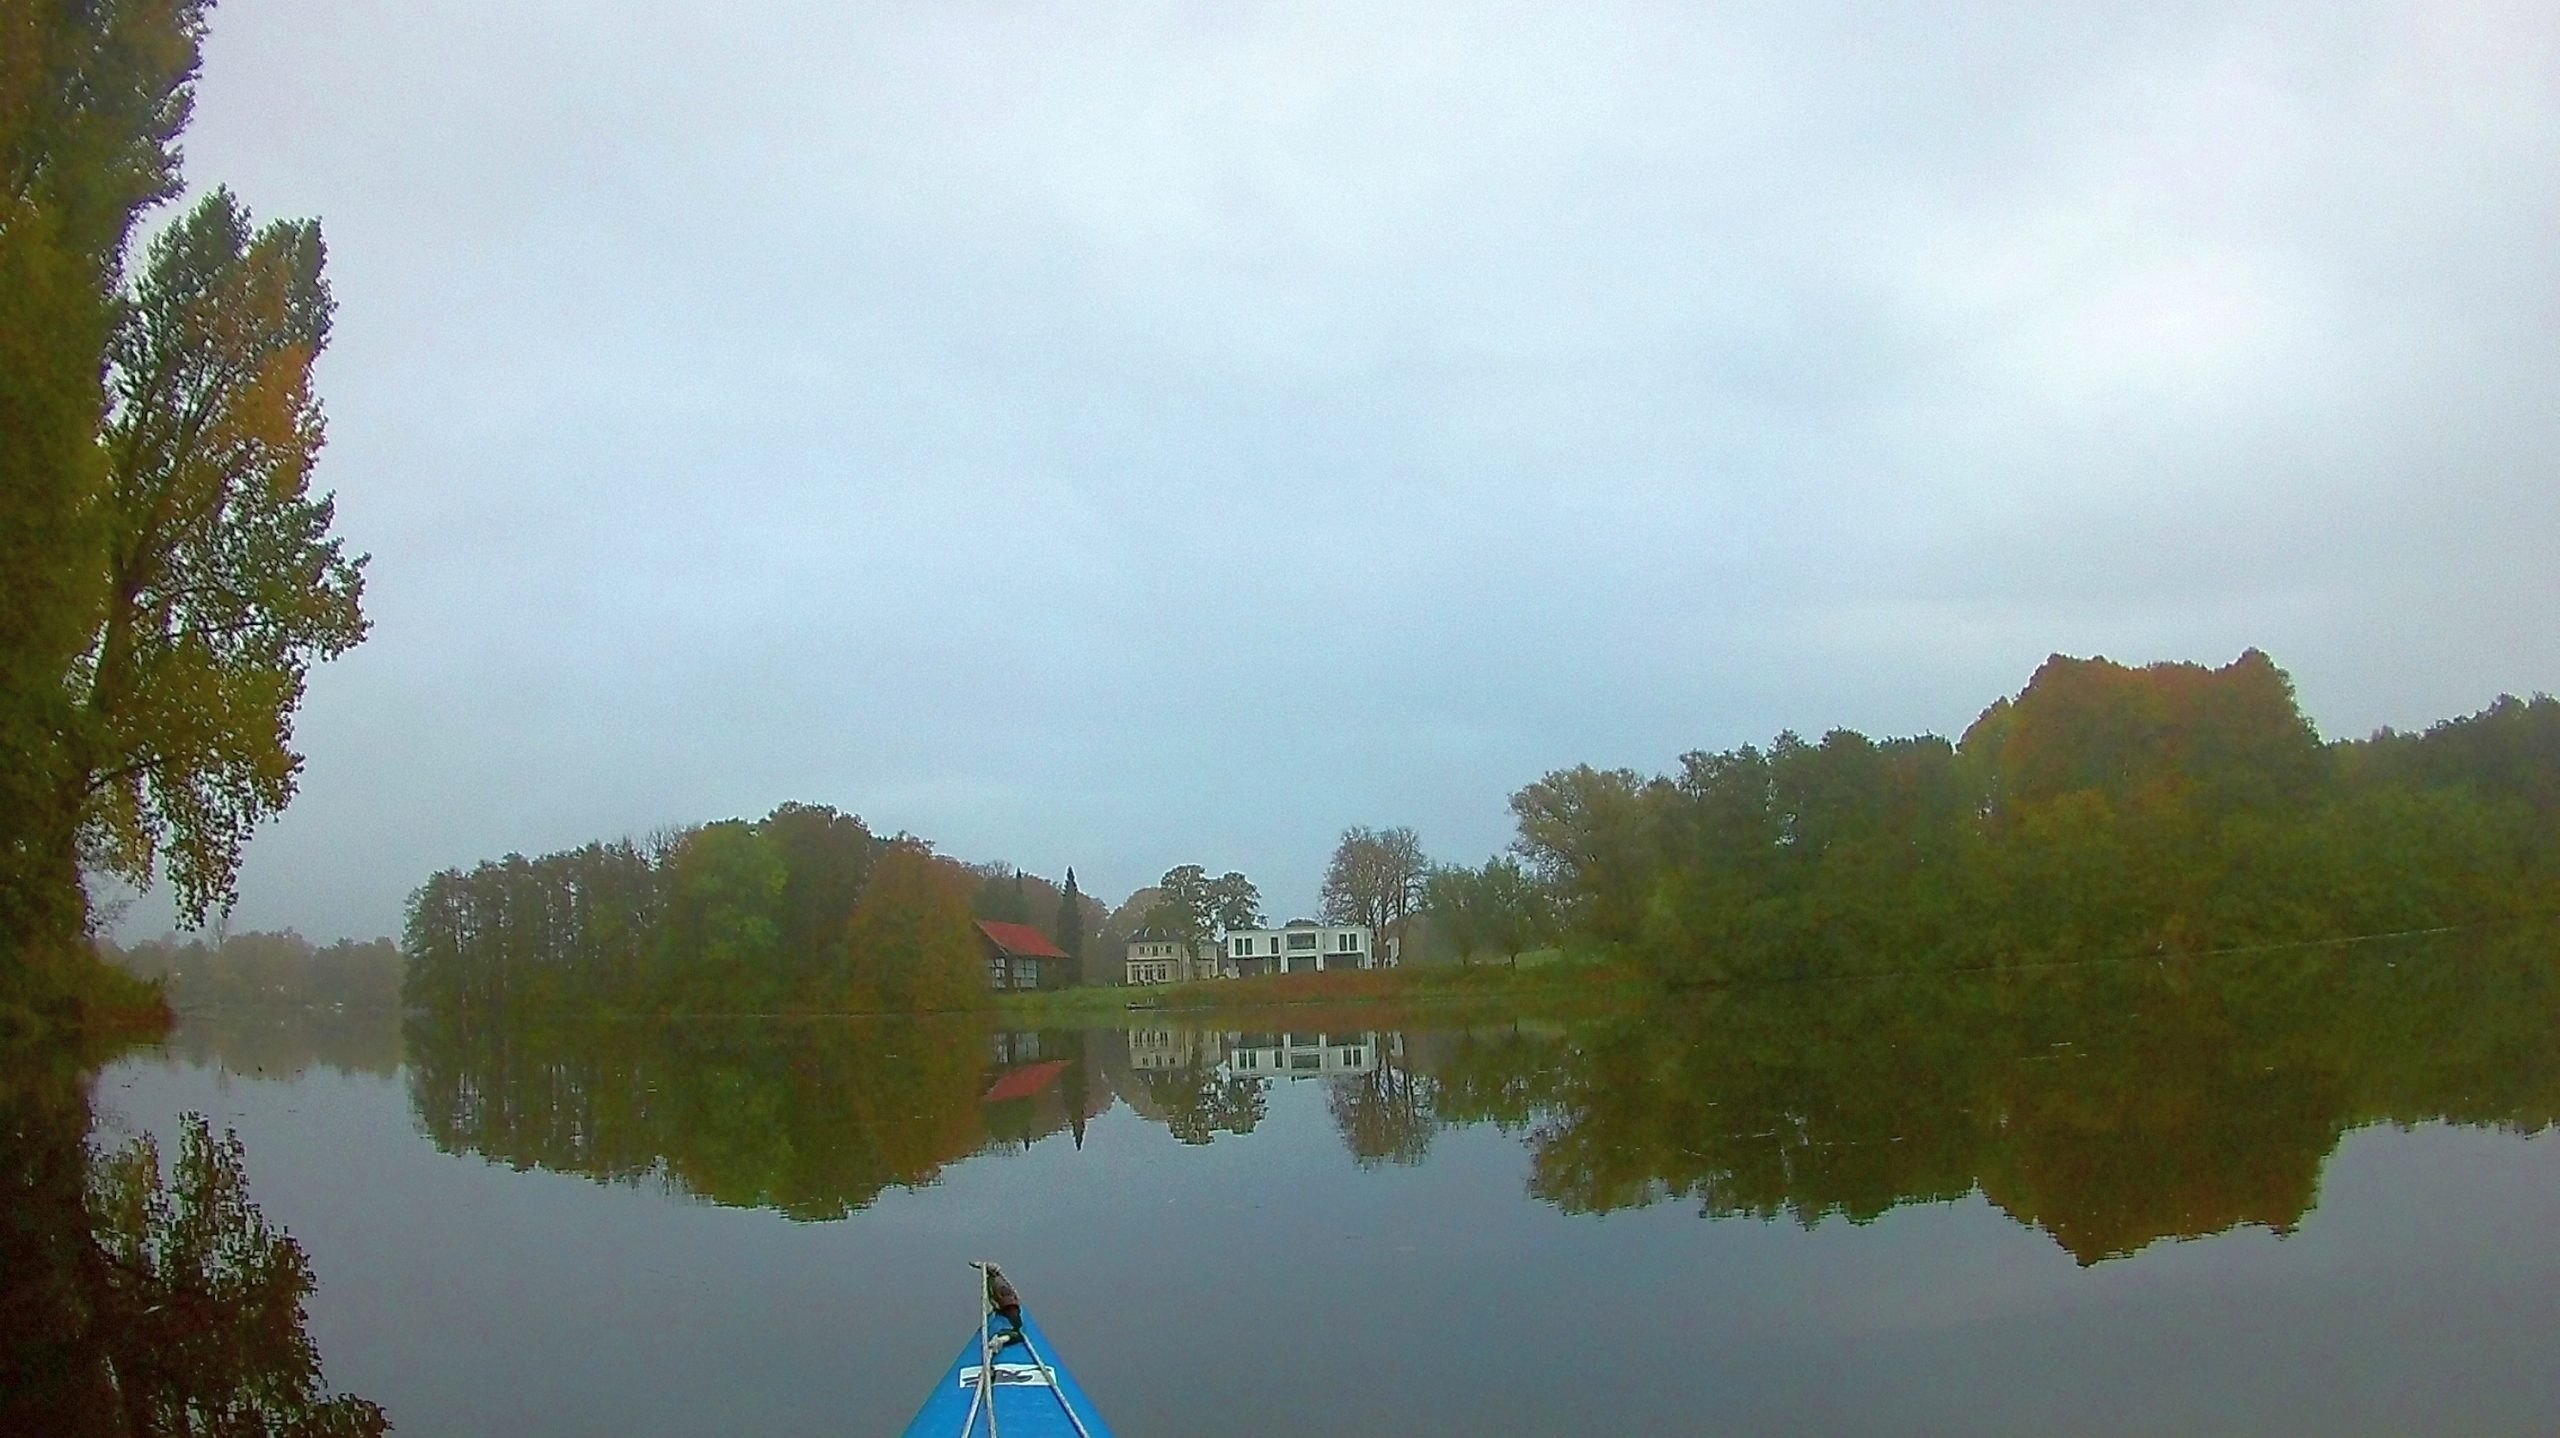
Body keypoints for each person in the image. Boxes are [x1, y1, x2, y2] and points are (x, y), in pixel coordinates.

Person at [984, 1264, 1025, 1349]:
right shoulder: (999, 1282)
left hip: (1004, 1323)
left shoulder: (992, 1281)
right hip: (1004, 1318)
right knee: (1017, 1334)